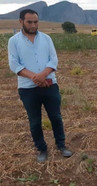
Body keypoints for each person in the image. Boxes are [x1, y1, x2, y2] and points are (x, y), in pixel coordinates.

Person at [8, 9, 73, 162]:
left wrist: (43, 74)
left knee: (56, 117)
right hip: (27, 89)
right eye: (29, 22)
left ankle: (61, 145)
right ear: (21, 22)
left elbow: (53, 59)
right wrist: (35, 77)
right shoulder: (14, 41)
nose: (33, 25)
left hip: (50, 85)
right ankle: (41, 149)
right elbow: (14, 64)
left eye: (36, 22)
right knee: (35, 120)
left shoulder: (46, 38)